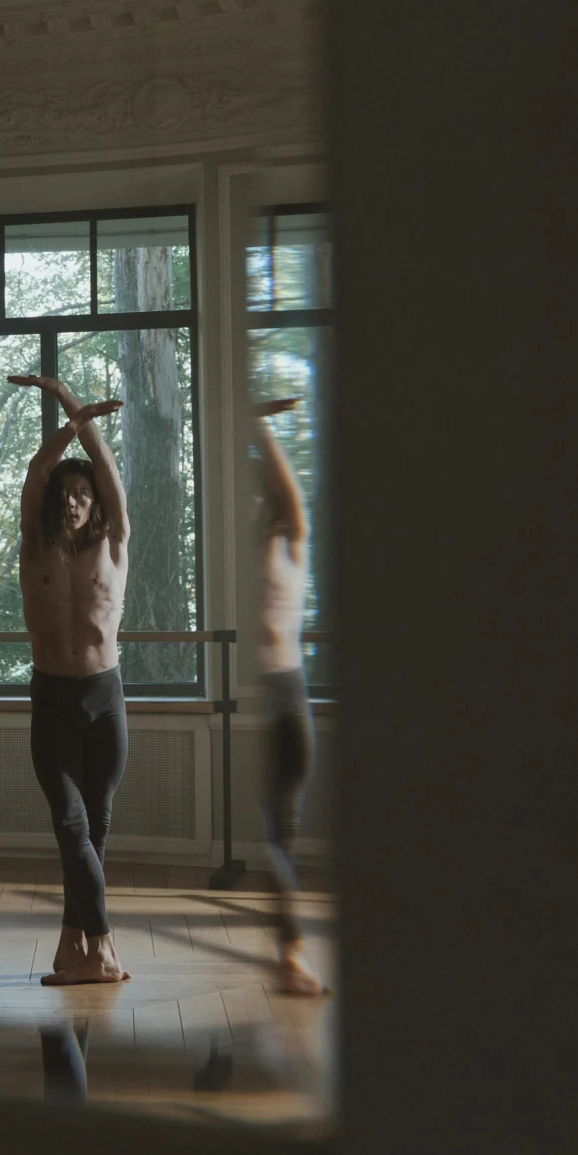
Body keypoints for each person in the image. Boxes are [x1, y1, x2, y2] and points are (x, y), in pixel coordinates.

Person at [8, 373, 133, 986]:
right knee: (70, 824)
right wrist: (62, 409)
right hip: (53, 700)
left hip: (105, 699)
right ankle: (104, 950)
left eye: (81, 493)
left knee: (93, 832)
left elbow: (109, 473)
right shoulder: (34, 548)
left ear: (95, 503)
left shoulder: (113, 547)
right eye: (66, 493)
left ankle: (69, 946)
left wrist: (84, 419)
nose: (71, 500)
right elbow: (38, 470)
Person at [252, 400, 326, 996]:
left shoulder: (290, 544)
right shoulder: (254, 556)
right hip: (267, 696)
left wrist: (260, 425)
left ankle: (290, 955)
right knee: (275, 836)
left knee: (283, 833)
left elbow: (290, 495)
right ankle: (292, 953)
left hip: (287, 692)